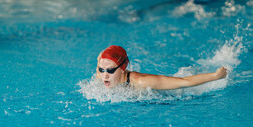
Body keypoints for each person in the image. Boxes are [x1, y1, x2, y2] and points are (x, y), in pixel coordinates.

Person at [96, 45, 227, 89]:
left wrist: (215, 76)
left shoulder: (141, 81)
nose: (104, 75)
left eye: (111, 70)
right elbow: (100, 58)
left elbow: (184, 82)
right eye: (102, 70)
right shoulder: (103, 75)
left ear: (123, 68)